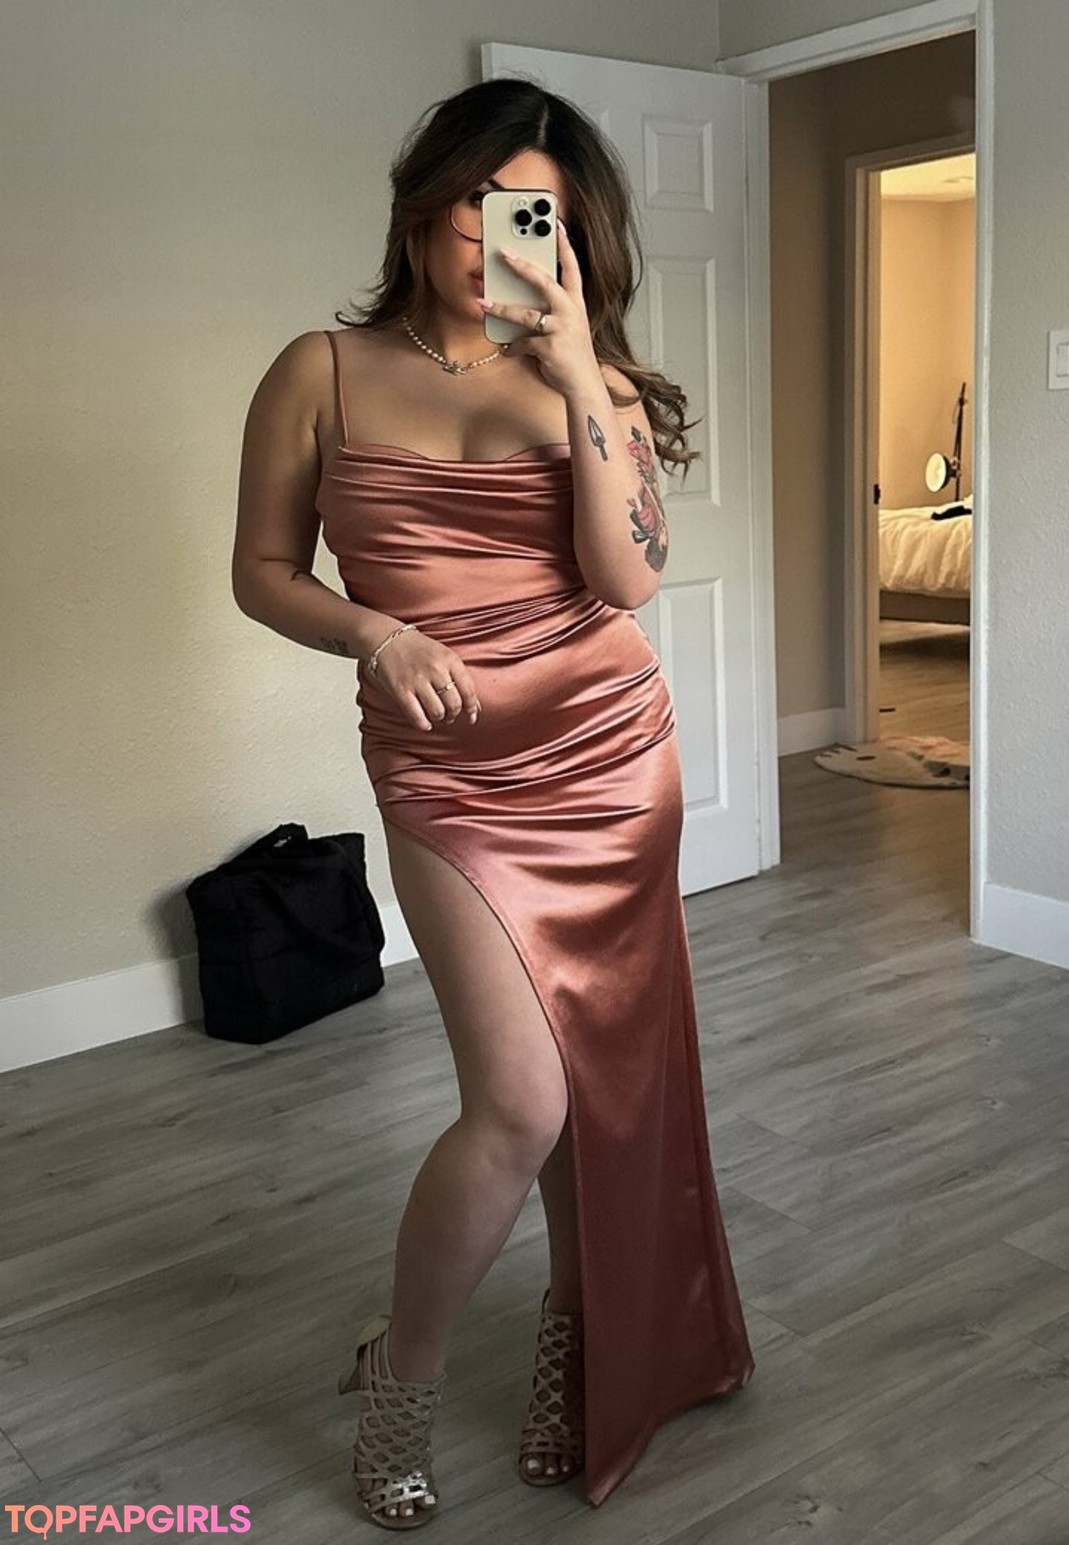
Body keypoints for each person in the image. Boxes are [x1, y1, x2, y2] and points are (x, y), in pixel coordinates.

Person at [232, 76, 754, 1532]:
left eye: (536, 215)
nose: (496, 238)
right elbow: (262, 571)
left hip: (610, 752)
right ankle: (400, 1379)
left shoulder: (597, 384)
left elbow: (629, 581)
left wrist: (581, 374)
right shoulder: (321, 370)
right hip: (446, 771)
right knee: (519, 1100)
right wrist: (375, 634)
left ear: (571, 238)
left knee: (600, 1085)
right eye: (478, 203)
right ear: (422, 202)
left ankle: (580, 1349)